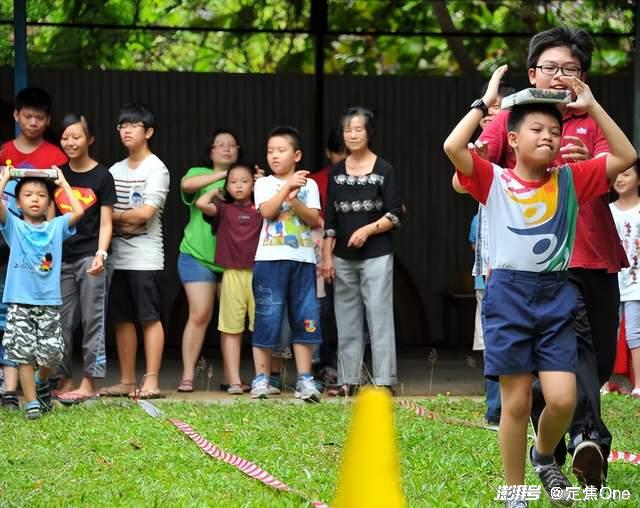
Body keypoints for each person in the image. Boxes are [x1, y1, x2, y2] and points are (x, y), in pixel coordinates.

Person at [444, 64, 636, 507]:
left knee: (564, 400)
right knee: (513, 404)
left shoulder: (572, 179)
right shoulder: (493, 180)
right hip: (507, 295)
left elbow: (625, 157)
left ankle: (543, 454)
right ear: (512, 139)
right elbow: (453, 146)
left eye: (554, 129)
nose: (548, 136)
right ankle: (515, 491)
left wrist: (593, 105)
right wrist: (486, 104)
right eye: (536, 128)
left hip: (556, 294)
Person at [479, 26, 626, 488]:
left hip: (590, 257)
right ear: (532, 71)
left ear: (582, 75)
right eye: (549, 67)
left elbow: (621, 163)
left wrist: (587, 134)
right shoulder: (514, 116)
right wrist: (487, 113)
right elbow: (469, 163)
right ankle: (575, 446)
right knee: (540, 382)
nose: (559, 76)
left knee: (594, 364)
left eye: (569, 68)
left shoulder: (586, 125)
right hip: (524, 276)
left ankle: (555, 446)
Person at [321, 107, 403, 396]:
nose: (352, 135)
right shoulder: (336, 172)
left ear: (369, 133)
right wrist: (327, 257)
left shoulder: (384, 169)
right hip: (342, 257)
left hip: (377, 254)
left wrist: (367, 229)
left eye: (358, 129)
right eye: (347, 130)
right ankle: (348, 379)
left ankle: (383, 380)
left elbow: (395, 214)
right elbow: (329, 218)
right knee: (346, 318)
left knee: (379, 316)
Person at [0, 87, 67, 411]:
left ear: (48, 120)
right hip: (11, 240)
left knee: (50, 346)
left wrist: (48, 232)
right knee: (14, 331)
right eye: (27, 116)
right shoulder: (4, 152)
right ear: (16, 116)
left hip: (43, 243)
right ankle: (16, 393)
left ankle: (36, 387)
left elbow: (60, 203)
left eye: (39, 117)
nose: (33, 122)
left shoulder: (56, 155)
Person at [0, 168, 84, 419]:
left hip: (49, 301)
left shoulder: (56, 227)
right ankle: (31, 403)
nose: (34, 199)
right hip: (20, 301)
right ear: (18, 202)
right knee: (23, 353)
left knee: (53, 352)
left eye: (40, 195)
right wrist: (5, 178)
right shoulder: (13, 225)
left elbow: (78, 212)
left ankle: (40, 381)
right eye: (27, 194)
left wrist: (63, 183)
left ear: (49, 201)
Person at [100, 103, 170, 399]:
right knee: (122, 319)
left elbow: (145, 214)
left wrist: (112, 216)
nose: (126, 130)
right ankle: (127, 381)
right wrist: (115, 216)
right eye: (122, 125)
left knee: (149, 317)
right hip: (118, 257)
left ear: (149, 131)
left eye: (133, 125)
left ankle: (151, 380)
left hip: (146, 257)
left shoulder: (157, 169)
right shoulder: (114, 170)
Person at [250, 126, 323, 402]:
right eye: (270, 151)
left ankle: (305, 380)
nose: (274, 156)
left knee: (305, 318)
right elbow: (267, 212)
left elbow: (314, 220)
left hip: (303, 260)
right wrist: (287, 188)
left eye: (281, 150)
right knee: (267, 317)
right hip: (269, 261)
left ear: (297, 155)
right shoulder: (263, 184)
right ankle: (261, 379)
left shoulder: (311, 185)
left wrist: (295, 198)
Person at [52, 113, 116, 403]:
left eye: (76, 136)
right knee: (62, 322)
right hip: (62, 259)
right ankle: (63, 378)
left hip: (92, 257)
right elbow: (51, 221)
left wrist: (101, 254)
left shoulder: (102, 176)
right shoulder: (56, 175)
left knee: (93, 320)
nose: (70, 142)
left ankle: (90, 381)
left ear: (89, 139)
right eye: (65, 137)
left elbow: (106, 222)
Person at [177, 129, 241, 393]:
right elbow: (186, 186)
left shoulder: (247, 178)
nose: (226, 149)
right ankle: (188, 376)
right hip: (196, 254)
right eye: (220, 145)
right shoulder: (197, 174)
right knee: (200, 313)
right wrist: (224, 176)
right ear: (211, 151)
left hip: (233, 260)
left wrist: (240, 179)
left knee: (231, 319)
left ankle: (231, 378)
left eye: (231, 145)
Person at [196, 162, 262, 394]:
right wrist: (215, 192)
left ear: (253, 184)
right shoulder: (223, 209)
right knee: (231, 329)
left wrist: (263, 185)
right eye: (233, 182)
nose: (239, 186)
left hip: (259, 273)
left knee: (262, 327)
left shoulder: (261, 208)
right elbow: (201, 203)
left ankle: (262, 379)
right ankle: (234, 380)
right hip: (232, 273)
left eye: (245, 181)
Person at [608, 163, 640, 398]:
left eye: (626, 174)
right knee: (608, 332)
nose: (619, 179)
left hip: (637, 283)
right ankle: (605, 382)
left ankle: (638, 385)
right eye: (616, 174)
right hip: (610, 281)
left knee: (634, 334)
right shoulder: (606, 210)